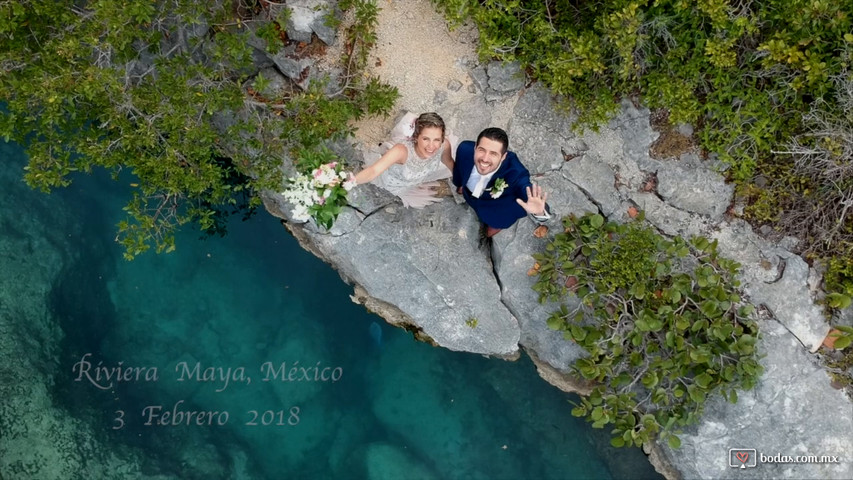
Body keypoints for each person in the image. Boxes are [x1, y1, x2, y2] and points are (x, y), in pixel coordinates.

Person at [453, 127, 550, 237]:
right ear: (475, 147)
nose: (485, 159)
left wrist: (540, 212)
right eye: (482, 150)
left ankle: (496, 225)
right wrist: (460, 183)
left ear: (503, 157)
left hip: (497, 208)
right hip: (469, 194)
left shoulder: (515, 173)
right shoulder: (464, 149)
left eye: (493, 153)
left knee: (498, 220)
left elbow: (525, 189)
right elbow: (458, 169)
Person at [352, 112, 455, 208]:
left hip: (411, 184)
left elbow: (449, 162)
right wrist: (349, 182)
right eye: (425, 139)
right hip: (389, 186)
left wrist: (462, 183)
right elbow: (374, 171)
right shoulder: (401, 151)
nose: (431, 146)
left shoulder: (444, 145)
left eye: (436, 140)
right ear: (416, 137)